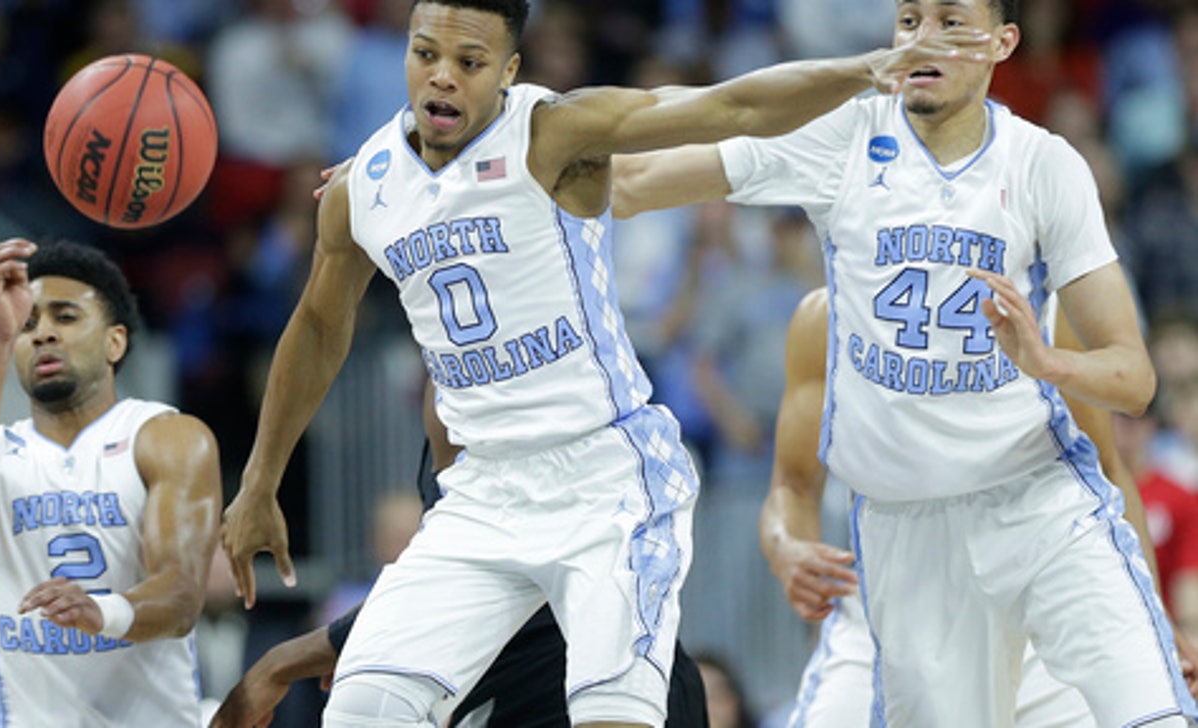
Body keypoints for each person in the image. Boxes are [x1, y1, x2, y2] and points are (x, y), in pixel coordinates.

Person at [218, 1, 986, 726]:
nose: (443, 75)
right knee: (361, 709)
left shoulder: (556, 133)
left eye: (470, 60)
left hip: (607, 481)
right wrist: (259, 479)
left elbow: (734, 107)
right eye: (426, 54)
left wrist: (866, 68)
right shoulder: (362, 188)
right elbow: (319, 325)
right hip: (481, 493)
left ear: (510, 70)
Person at [611, 0, 1197, 722]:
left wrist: (1046, 362)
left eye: (952, 21)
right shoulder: (841, 144)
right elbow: (634, 180)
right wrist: (536, 144)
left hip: (1037, 505)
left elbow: (1134, 382)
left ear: (1002, 43)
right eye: (910, 19)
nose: (925, 38)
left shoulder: (1044, 166)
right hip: (903, 537)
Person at [759, 289, 1198, 726]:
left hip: (1031, 592)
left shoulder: (1038, 302)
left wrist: (1149, 609)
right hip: (892, 603)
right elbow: (792, 486)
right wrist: (786, 548)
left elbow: (1106, 470)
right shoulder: (828, 315)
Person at [211, 387, 709, 727]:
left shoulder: (542, 428)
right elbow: (456, 584)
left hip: (592, 686)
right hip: (519, 687)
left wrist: (282, 662)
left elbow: (509, 566)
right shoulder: (455, 456)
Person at [0, 238, 223, 727]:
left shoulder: (164, 436)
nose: (42, 333)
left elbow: (181, 596)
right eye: (28, 324)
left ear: (115, 342)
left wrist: (102, 612)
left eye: (65, 317)